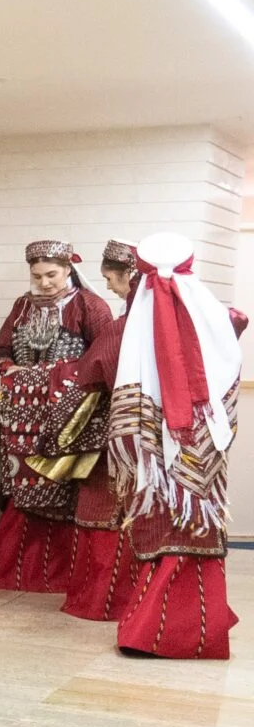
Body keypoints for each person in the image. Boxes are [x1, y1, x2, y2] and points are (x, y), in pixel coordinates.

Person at [103, 232, 246, 658]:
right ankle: (192, 626)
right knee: (189, 528)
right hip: (203, 444)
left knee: (168, 527)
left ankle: (159, 631)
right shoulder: (212, 312)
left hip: (157, 446)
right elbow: (228, 367)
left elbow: (126, 381)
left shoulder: (144, 313)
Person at [0, 240, 115, 594]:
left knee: (64, 486)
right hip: (23, 417)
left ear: (68, 269)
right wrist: (9, 369)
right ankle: (18, 574)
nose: (44, 282)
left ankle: (63, 576)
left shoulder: (90, 306)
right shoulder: (22, 306)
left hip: (69, 416)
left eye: (52, 274)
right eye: (37, 275)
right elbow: (0, 349)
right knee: (23, 484)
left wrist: (58, 375)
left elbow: (105, 357)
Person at [47, 239, 145, 621]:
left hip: (115, 437)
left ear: (129, 276)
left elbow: (92, 371)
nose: (107, 286)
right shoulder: (157, 322)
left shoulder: (122, 327)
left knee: (105, 508)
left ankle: (105, 600)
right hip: (152, 440)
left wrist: (59, 375)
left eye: (111, 278)